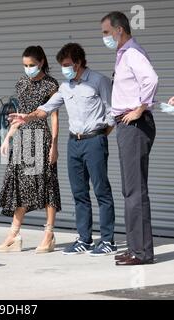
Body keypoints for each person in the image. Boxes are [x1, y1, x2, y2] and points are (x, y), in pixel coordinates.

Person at [10, 43, 117, 256]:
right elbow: (46, 109)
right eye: (62, 65)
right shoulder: (65, 87)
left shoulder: (99, 81)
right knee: (79, 193)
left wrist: (100, 136)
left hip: (94, 140)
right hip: (73, 143)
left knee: (101, 191)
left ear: (78, 63)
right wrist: (26, 117)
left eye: (67, 65)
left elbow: (111, 112)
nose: (64, 69)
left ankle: (107, 240)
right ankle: (84, 239)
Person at [101, 12, 158, 265]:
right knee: (130, 190)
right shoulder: (124, 54)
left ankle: (142, 252)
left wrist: (140, 108)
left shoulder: (133, 53)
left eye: (106, 32)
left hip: (134, 125)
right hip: (127, 125)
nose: (104, 37)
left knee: (135, 191)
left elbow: (152, 79)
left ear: (119, 30)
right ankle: (135, 247)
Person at [0, 45, 62, 254]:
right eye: (25, 65)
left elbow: (54, 116)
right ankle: (13, 236)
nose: (28, 68)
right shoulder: (22, 83)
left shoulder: (51, 84)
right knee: (20, 186)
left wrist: (54, 145)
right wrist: (8, 138)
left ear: (41, 62)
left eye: (32, 65)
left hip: (42, 138)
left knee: (47, 183)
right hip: (24, 139)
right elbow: (21, 114)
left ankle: (49, 234)